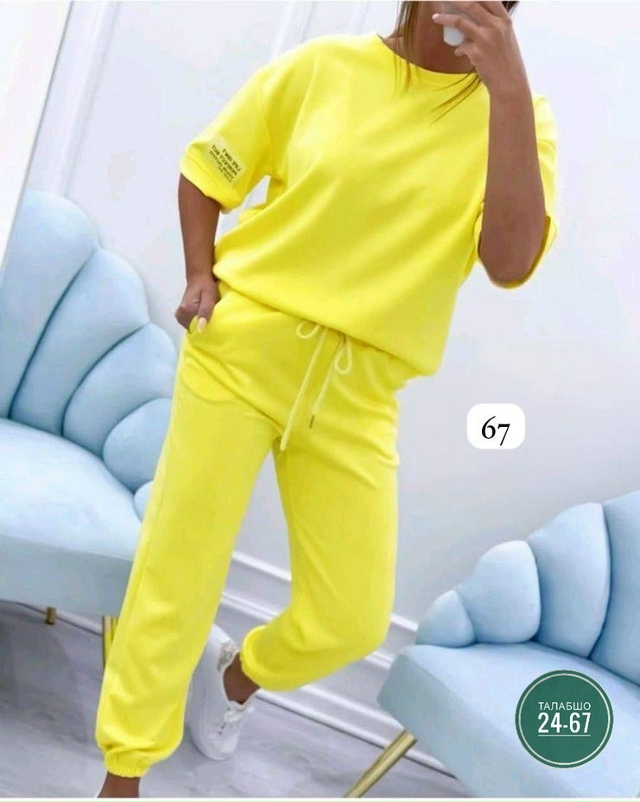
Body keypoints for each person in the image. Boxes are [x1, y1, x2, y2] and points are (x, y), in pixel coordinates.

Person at [94, 1, 559, 796]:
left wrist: (509, 93)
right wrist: (201, 273)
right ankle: (122, 774)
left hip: (360, 393)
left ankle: (236, 675)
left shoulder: (517, 119)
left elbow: (509, 263)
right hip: (241, 354)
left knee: (353, 616)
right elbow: (209, 168)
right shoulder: (322, 70)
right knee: (179, 571)